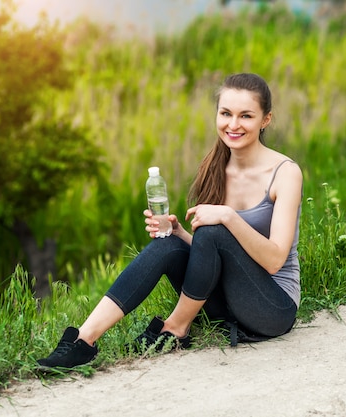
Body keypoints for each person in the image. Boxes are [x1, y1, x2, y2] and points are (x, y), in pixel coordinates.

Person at [36, 72, 302, 369]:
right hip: (225, 305)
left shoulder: (285, 172)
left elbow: (275, 259)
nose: (233, 124)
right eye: (225, 113)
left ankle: (175, 328)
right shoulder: (215, 167)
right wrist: (178, 233)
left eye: (246, 116)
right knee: (168, 245)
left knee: (215, 229)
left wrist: (227, 216)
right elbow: (212, 253)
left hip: (272, 308)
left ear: (265, 120)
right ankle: (83, 341)